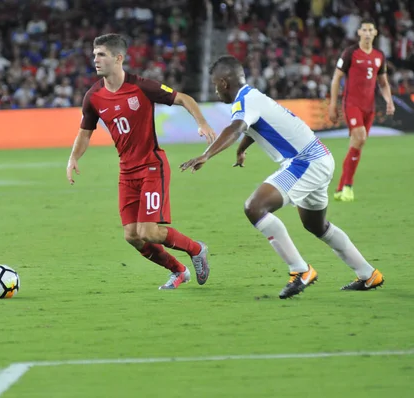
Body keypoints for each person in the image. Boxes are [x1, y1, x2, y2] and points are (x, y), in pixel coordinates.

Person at [180, 55, 384, 299]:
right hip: (318, 158)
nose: (215, 90)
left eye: (215, 84)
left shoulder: (244, 101)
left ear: (224, 82)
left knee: (254, 207)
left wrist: (206, 155)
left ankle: (300, 271)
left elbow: (237, 127)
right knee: (316, 225)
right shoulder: (254, 96)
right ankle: (368, 274)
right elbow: (256, 126)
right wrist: (243, 148)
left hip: (305, 161)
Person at [66, 33, 215, 290]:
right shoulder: (93, 96)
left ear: (118, 58)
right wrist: (73, 158)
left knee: (148, 231)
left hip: (151, 166)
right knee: (132, 236)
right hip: (127, 173)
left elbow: (184, 98)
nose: (95, 60)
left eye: (101, 54)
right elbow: (85, 131)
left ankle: (196, 249)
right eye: (94, 55)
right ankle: (178, 271)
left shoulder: (141, 87)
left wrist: (201, 123)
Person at [329, 18, 395, 202]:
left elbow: (383, 82)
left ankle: (340, 188)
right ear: (358, 33)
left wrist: (389, 100)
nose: (367, 33)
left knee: (356, 144)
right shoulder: (350, 53)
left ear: (375, 33)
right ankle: (348, 186)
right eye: (364, 30)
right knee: (360, 137)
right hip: (352, 104)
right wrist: (333, 104)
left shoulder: (379, 55)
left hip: (370, 107)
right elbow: (336, 79)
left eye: (370, 30)